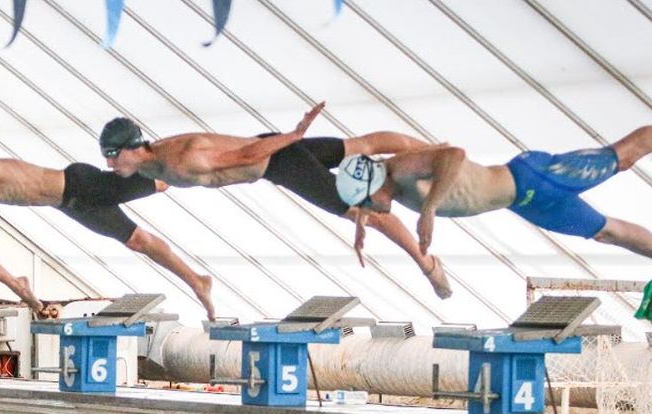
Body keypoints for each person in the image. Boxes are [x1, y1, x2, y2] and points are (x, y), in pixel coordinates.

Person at [0, 102, 216, 320]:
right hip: (71, 205)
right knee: (137, 240)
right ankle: (197, 280)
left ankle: (214, 159)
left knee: (165, 181)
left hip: (81, 186)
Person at [97, 108, 453, 299]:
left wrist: (293, 137)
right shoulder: (155, 159)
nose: (110, 165)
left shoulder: (181, 161)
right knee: (362, 145)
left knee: (365, 214)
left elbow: (248, 152)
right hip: (275, 152)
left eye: (113, 157)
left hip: (278, 161)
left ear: (131, 147)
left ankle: (427, 264)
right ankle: (435, 150)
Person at [333, 128, 652, 264]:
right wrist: (361, 224)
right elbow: (369, 200)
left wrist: (429, 210)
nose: (372, 210)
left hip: (534, 178)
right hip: (527, 203)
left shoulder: (401, 169)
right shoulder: (385, 187)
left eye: (367, 202)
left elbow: (453, 154)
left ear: (373, 186)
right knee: (606, 233)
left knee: (622, 157)